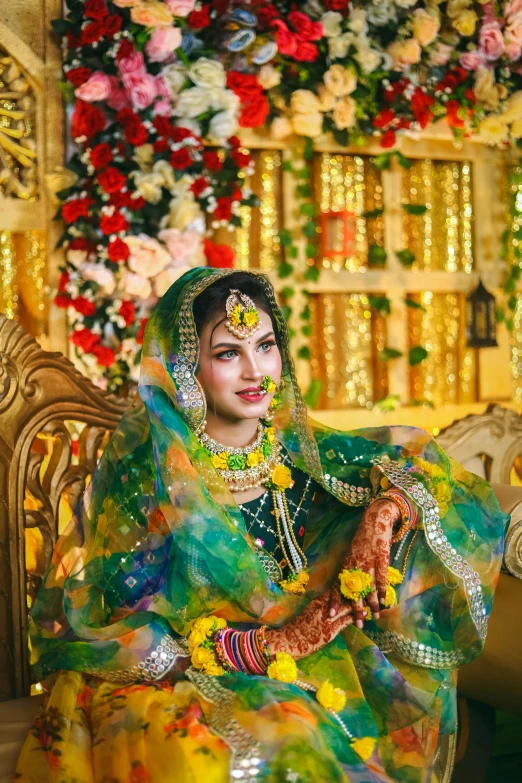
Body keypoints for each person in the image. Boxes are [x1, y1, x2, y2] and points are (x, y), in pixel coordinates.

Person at [15, 267, 504, 783]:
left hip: (321, 658)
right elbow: (99, 625)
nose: (256, 371)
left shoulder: (305, 455)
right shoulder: (153, 479)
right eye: (228, 353)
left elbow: (430, 471)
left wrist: (382, 518)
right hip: (194, 679)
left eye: (266, 346)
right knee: (283, 748)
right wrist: (260, 646)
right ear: (186, 369)